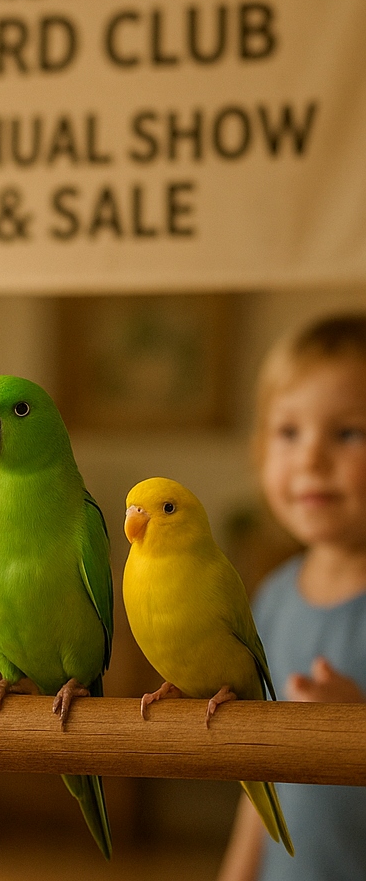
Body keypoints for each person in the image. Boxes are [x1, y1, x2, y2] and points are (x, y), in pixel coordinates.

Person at [218, 314, 366, 881]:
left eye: (348, 432)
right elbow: (261, 776)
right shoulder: (273, 599)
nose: (310, 459)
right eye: (288, 433)